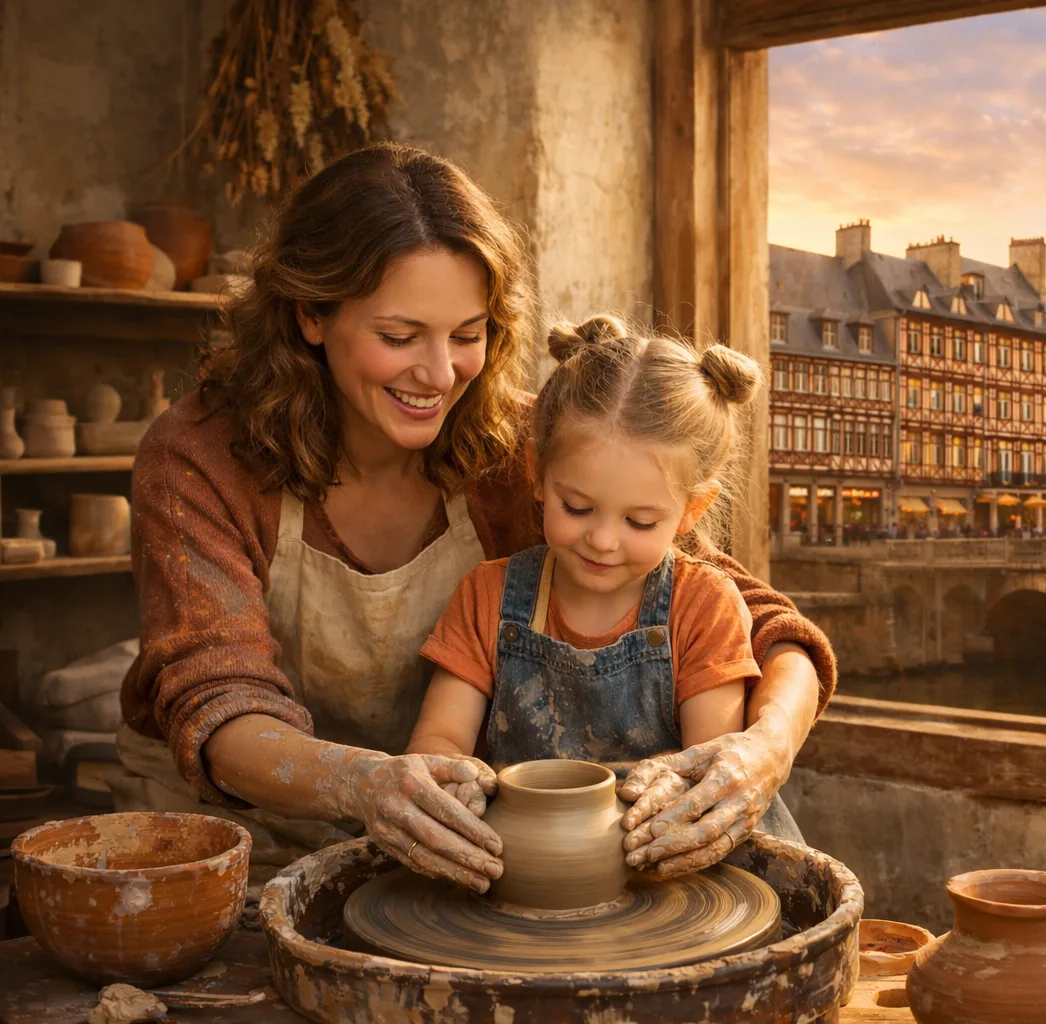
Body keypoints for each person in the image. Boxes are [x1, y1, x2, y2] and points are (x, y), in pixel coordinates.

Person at [114, 145, 834, 892]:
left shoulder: (526, 446)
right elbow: (218, 697)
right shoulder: (201, 458)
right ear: (310, 315)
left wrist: (765, 750)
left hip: (447, 831)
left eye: (467, 334)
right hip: (236, 832)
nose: (439, 374)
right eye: (399, 337)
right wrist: (363, 783)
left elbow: (755, 619)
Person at [407, 316, 801, 857]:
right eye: (576, 507)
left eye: (640, 522)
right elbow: (438, 741)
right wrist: (451, 780)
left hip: (669, 849)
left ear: (692, 510)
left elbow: (709, 770)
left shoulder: (704, 605)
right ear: (536, 471)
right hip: (531, 858)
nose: (602, 540)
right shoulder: (487, 595)